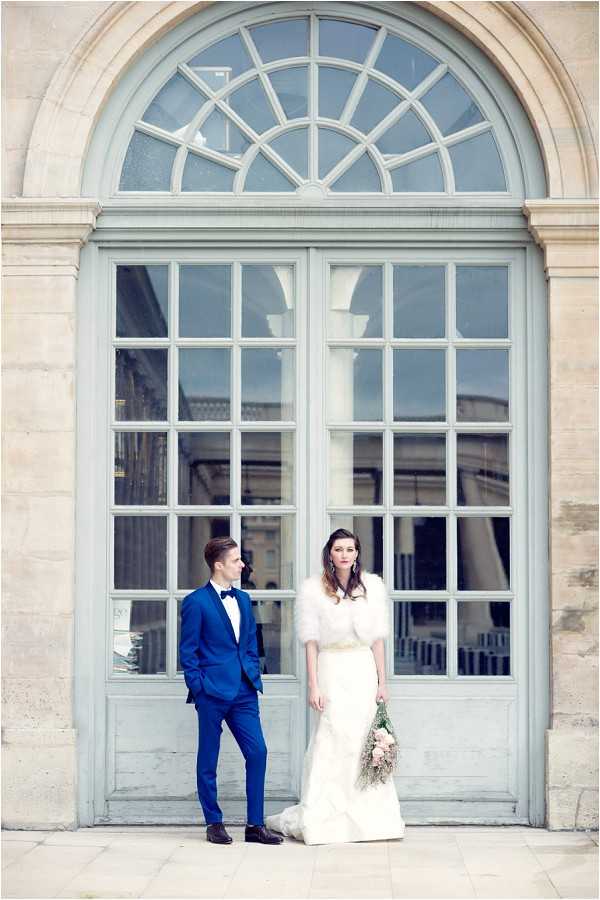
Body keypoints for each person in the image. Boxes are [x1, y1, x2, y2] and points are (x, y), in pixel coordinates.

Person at [265, 528, 406, 845]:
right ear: (329, 553)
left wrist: (383, 681)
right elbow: (311, 644)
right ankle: (325, 817)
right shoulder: (314, 589)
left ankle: (371, 820)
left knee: (365, 740)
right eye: (339, 549)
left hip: (362, 668)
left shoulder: (373, 587)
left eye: (350, 549)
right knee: (331, 736)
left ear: (357, 553)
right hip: (331, 666)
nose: (345, 554)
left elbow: (378, 641)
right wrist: (313, 685)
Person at [179, 536, 283, 846]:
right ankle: (213, 822)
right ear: (219, 565)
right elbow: (188, 653)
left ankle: (255, 825)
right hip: (211, 692)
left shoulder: (243, 600)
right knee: (208, 758)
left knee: (258, 752)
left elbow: (250, 642)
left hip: (244, 691)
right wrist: (199, 688)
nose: (243, 564)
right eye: (237, 560)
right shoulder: (196, 602)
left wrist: (251, 672)